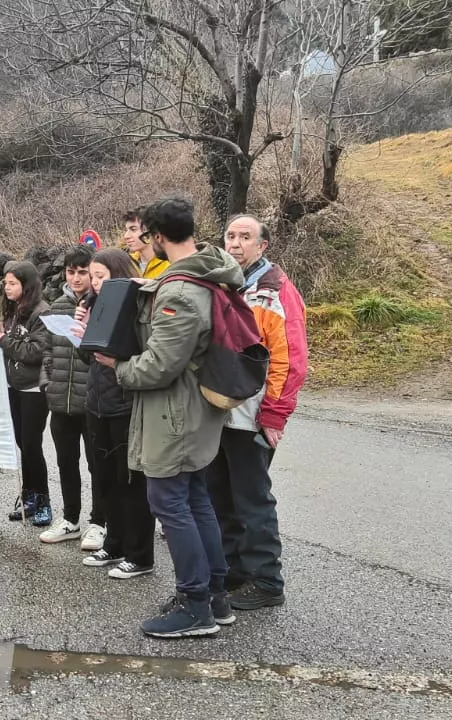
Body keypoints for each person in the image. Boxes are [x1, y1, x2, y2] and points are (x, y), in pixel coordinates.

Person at [112, 198, 243, 639]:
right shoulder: (209, 271)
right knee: (194, 498)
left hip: (175, 410)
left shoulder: (181, 290)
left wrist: (118, 368)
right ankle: (215, 595)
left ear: (158, 237)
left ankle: (194, 605)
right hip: (193, 407)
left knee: (169, 502)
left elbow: (159, 365)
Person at [209, 214, 308, 612]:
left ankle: (267, 580)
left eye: (245, 237)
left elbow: (292, 359)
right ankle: (235, 572)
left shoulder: (275, 293)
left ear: (262, 246)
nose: (235, 243)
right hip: (221, 412)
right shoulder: (225, 287)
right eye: (230, 235)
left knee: (252, 499)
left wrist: (274, 415)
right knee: (222, 497)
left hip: (252, 415)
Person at [75, 249, 154, 580]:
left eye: (101, 276)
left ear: (119, 275)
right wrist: (81, 335)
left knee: (130, 482)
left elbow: (138, 355)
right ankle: (115, 542)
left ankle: (141, 554)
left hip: (124, 404)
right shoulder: (93, 306)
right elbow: (88, 361)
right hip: (97, 404)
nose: (94, 282)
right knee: (105, 478)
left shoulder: (135, 309)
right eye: (93, 276)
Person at [37, 245, 97, 545]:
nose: (76, 278)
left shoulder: (102, 305)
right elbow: (48, 350)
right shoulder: (57, 306)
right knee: (66, 462)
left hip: (92, 401)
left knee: (97, 465)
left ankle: (100, 521)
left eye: (82, 272)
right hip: (61, 401)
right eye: (71, 272)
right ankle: (71, 518)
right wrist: (48, 383)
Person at [0, 260, 52, 526]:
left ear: (26, 285)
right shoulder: (12, 311)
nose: (7, 288)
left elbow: (36, 352)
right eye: (6, 283)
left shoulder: (42, 313)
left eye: (12, 283)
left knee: (32, 444)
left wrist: (4, 341)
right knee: (22, 443)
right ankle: (28, 495)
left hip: (34, 388)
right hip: (14, 385)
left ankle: (44, 500)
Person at [121, 209, 169, 280]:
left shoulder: (169, 265)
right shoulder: (126, 263)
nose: (126, 236)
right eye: (127, 230)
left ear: (151, 231)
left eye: (133, 229)